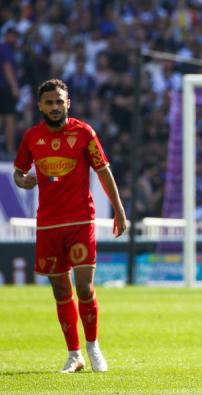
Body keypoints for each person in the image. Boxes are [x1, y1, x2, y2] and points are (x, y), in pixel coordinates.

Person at [13, 79, 127, 373]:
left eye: (59, 101)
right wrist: (22, 180)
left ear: (68, 103)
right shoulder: (31, 138)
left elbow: (103, 171)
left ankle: (94, 348)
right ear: (40, 106)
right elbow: (19, 172)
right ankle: (74, 355)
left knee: (84, 287)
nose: (54, 107)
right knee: (60, 290)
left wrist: (119, 210)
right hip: (49, 224)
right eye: (49, 102)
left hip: (80, 219)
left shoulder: (83, 132)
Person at [1, 28, 19, 156]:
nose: (15, 39)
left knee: (2, 118)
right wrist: (14, 87)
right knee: (10, 118)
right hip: (6, 87)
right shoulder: (6, 48)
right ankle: (10, 149)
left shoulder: (6, 49)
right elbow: (7, 68)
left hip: (2, 87)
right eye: (13, 36)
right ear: (7, 36)